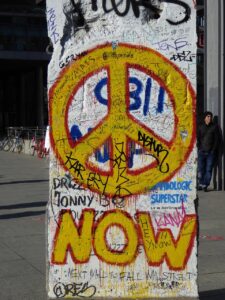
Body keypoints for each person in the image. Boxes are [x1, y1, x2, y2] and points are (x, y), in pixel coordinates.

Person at [197, 111, 219, 192]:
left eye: (211, 117)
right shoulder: (200, 127)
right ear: (205, 118)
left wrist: (213, 150)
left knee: (208, 169)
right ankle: (201, 183)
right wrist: (199, 147)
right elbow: (198, 138)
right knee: (200, 169)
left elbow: (217, 140)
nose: (210, 118)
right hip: (201, 152)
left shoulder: (214, 127)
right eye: (208, 116)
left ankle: (205, 185)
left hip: (210, 153)